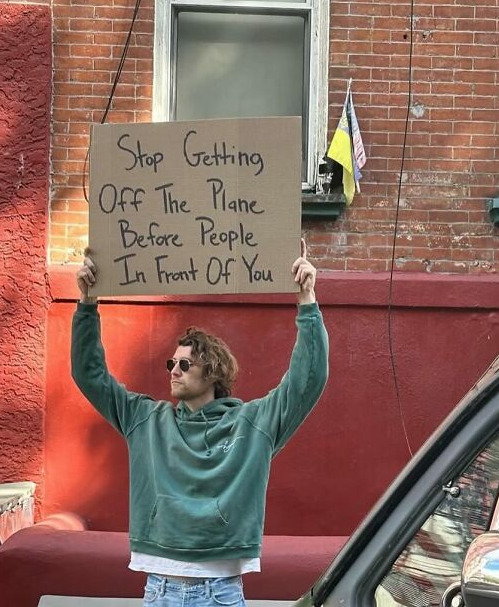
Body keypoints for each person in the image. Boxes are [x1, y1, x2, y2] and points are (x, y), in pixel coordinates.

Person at [72, 241, 329, 606]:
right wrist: (87, 303)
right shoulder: (145, 419)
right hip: (159, 591)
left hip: (221, 593)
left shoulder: (252, 424)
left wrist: (307, 299)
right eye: (171, 364)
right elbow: (90, 375)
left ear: (212, 372)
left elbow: (307, 381)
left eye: (185, 364)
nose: (173, 370)